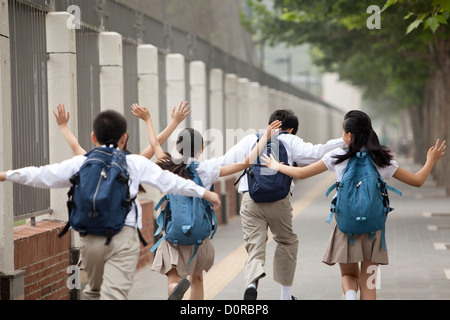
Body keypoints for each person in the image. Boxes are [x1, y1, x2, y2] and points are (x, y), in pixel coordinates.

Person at [0, 109, 221, 300]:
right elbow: (169, 177)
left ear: (94, 137)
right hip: (123, 236)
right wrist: (204, 193)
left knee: (90, 290)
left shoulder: (86, 161)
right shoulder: (134, 163)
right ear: (124, 138)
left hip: (90, 237)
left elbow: (44, 173)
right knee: (114, 293)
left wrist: (8, 174)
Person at [260, 110, 446, 300]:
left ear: (349, 135)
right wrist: (431, 160)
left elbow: (301, 173)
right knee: (369, 283)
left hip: (345, 225)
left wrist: (277, 166)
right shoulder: (381, 159)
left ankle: (349, 296)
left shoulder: (337, 156)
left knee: (348, 275)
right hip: (374, 229)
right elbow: (417, 180)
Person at [130, 104, 282, 300]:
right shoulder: (208, 169)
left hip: (174, 233)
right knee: (197, 279)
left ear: (177, 148)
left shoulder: (168, 166)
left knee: (173, 278)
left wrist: (148, 120)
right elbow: (245, 162)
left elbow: (155, 145)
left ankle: (174, 290)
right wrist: (265, 139)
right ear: (201, 149)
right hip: (199, 235)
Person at [218, 109, 346, 300]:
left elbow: (225, 163)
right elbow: (316, 153)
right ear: (291, 129)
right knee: (287, 242)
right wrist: (346, 140)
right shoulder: (291, 140)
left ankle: (251, 284)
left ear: (270, 124)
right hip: (279, 200)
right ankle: (285, 296)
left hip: (250, 199)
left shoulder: (250, 140)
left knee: (254, 244)